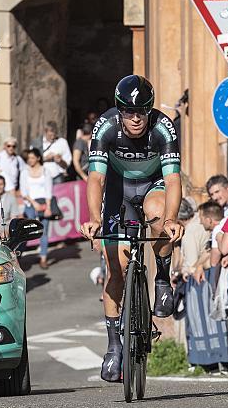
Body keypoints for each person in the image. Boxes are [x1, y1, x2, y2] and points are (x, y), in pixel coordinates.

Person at [79, 75, 184, 383]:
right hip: (117, 190)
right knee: (116, 268)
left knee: (158, 213)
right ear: (119, 110)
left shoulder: (163, 127)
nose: (135, 117)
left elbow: (174, 179)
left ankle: (162, 276)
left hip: (154, 185)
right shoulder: (106, 126)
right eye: (128, 111)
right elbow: (95, 178)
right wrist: (94, 218)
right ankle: (114, 346)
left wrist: (172, 218)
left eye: (142, 111)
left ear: (150, 110)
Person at [20, 148, 53, 270]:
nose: (30, 160)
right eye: (29, 158)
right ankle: (19, 258)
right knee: (28, 232)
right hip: (30, 204)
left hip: (43, 203)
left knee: (44, 232)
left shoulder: (45, 171)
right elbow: (24, 192)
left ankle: (43, 258)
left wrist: (48, 207)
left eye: (33, 158)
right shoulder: (24, 172)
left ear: (38, 158)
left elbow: (49, 190)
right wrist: (34, 204)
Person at [177, 198, 210, 283]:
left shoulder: (189, 234)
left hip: (198, 279)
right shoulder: (199, 218)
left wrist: (179, 273)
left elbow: (191, 264)